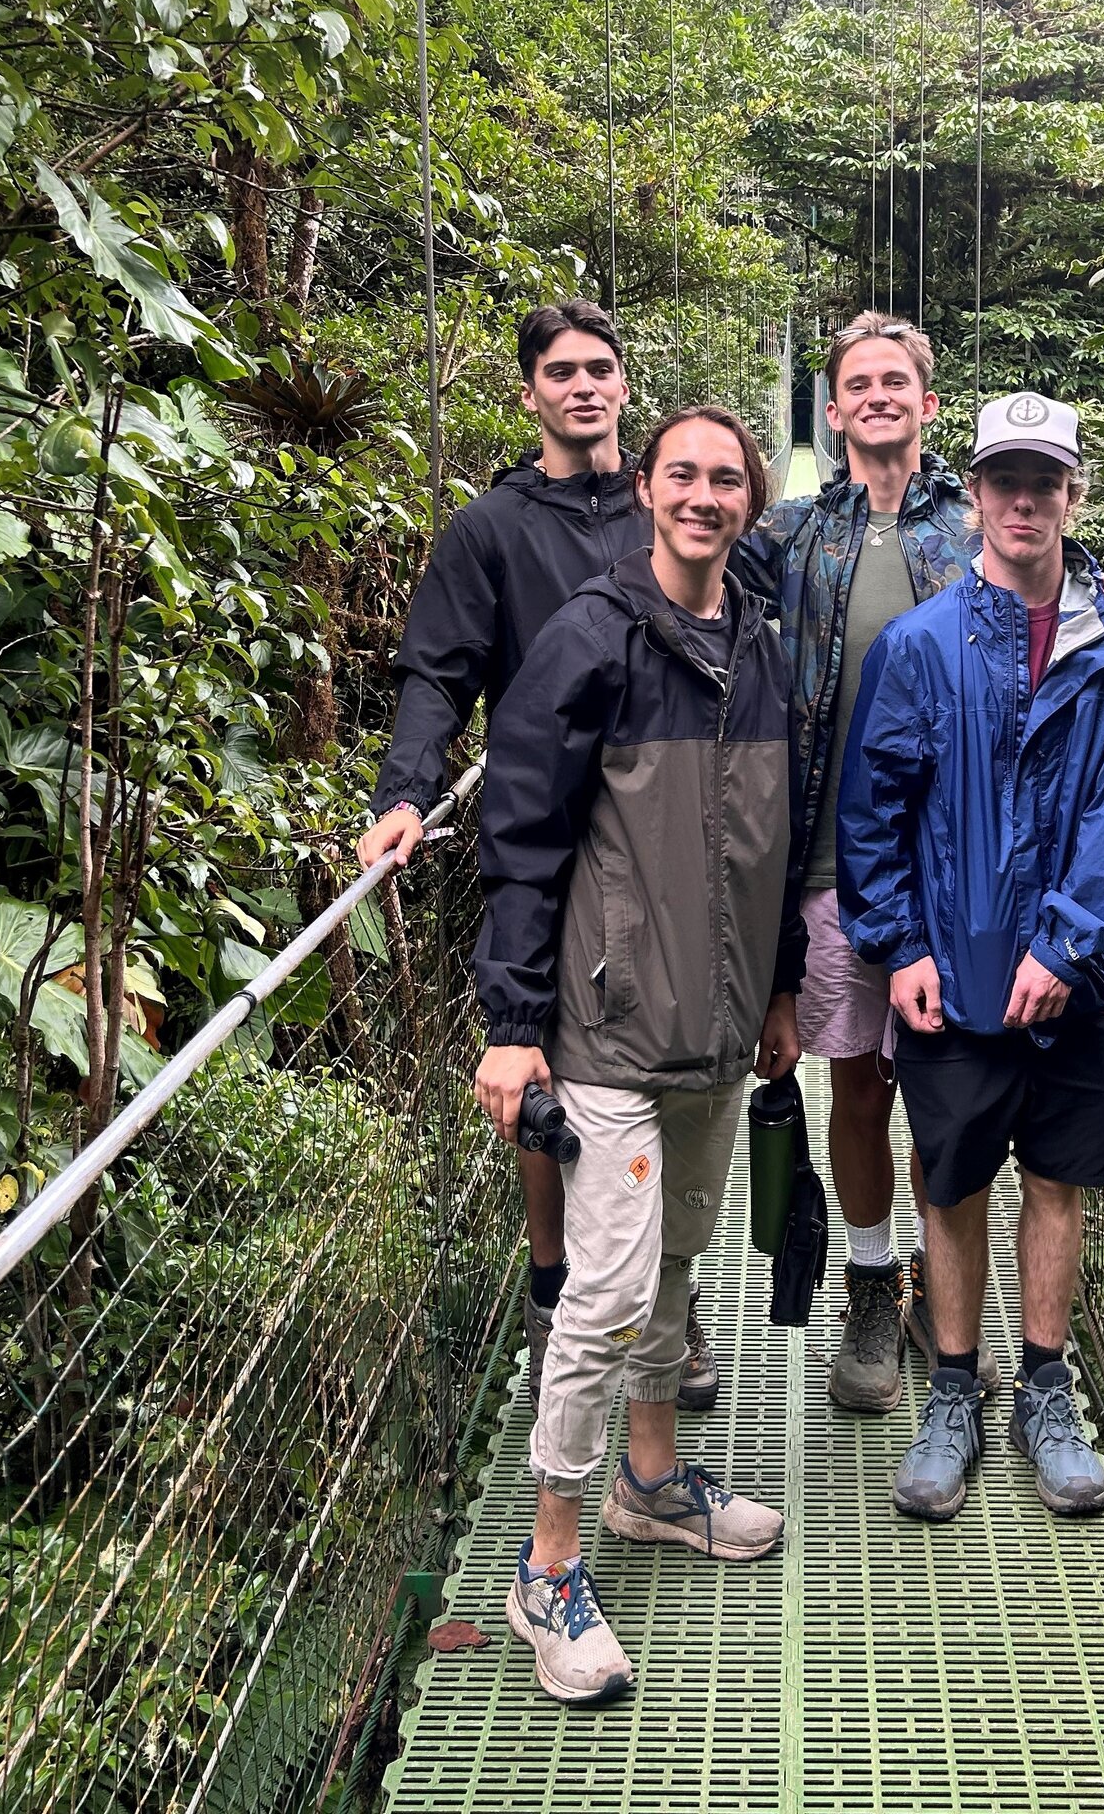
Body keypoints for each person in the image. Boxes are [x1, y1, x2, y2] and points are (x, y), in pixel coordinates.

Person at [735, 313, 1104, 1417]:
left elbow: (1039, 564)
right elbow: (679, 554)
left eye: (896, 382)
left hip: (975, 875)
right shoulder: (790, 531)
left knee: (947, 1096)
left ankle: (941, 1298)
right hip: (840, 860)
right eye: (855, 383)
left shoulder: (966, 519)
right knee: (860, 1082)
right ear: (830, 410)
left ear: (928, 406)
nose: (875, 396)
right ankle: (878, 1284)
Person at [473, 407, 805, 1704]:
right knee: (607, 1292)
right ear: (647, 490)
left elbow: (775, 842)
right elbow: (521, 829)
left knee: (674, 1264)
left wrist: (776, 994)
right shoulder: (590, 639)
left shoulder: (759, 652)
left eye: (728, 479)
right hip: (605, 1026)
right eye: (685, 475)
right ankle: (545, 1568)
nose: (705, 497)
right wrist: (512, 1028)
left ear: (749, 500)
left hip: (716, 1029)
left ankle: (650, 1483)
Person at [357, 301, 721, 1413]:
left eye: (601, 368)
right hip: (546, 827)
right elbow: (439, 670)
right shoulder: (490, 530)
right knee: (539, 1062)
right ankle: (556, 1285)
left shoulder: (667, 501)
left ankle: (662, 1307)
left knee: (650, 1057)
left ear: (625, 383)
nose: (583, 386)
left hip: (661, 832)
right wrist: (407, 790)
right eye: (560, 371)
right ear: (529, 392)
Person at [837, 392, 1104, 1523]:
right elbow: (872, 810)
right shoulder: (919, 645)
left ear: (1072, 495)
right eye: (1005, 480)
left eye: (1046, 481)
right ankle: (951, 1389)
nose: (1025, 500)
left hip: (1078, 984)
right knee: (953, 1179)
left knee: (1057, 1184)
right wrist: (900, 947)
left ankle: (1042, 1387)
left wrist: (1074, 943)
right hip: (955, 972)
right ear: (972, 492)